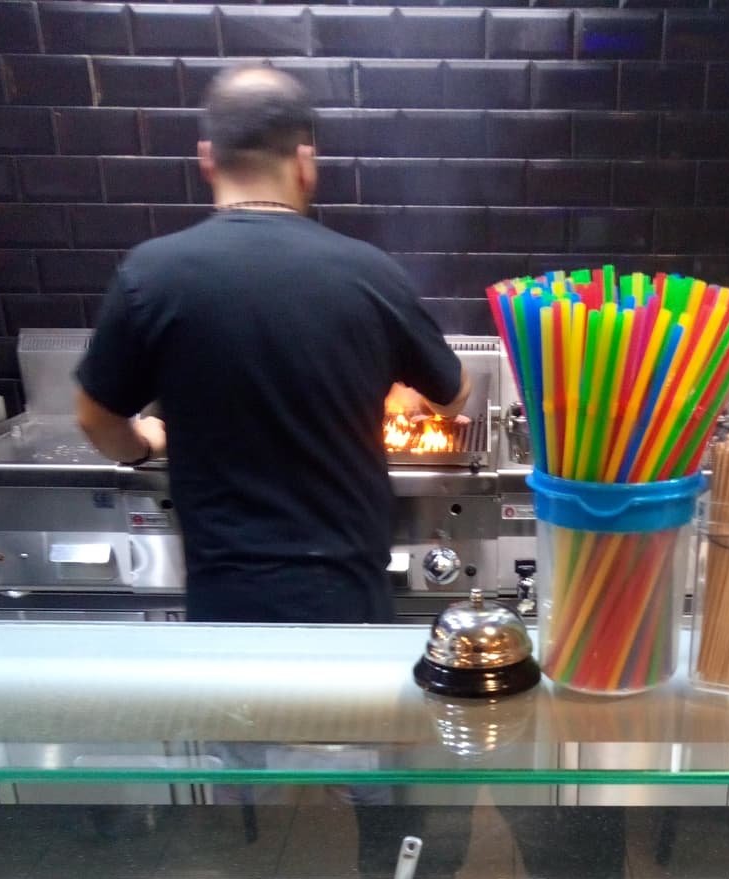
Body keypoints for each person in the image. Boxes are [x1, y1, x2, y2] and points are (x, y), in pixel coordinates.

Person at [74, 64, 469, 624]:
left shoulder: (150, 275)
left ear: (207, 159)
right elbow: (454, 396)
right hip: (348, 597)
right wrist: (394, 386)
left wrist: (142, 443)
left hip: (224, 600)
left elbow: (95, 418)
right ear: (305, 163)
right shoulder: (371, 273)